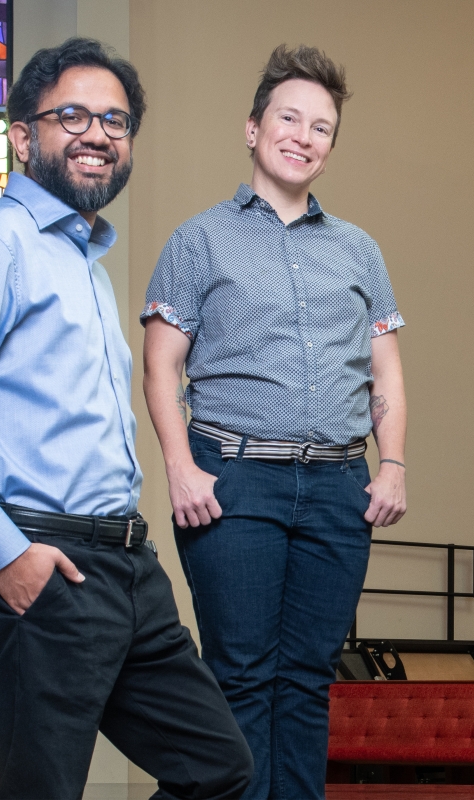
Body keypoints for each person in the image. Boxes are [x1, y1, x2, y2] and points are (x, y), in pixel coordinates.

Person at [0, 38, 252, 799]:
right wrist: (5, 550)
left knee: (220, 770)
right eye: (72, 115)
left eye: (116, 121)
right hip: (38, 560)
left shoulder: (81, 261)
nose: (99, 134)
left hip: (123, 567)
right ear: (23, 137)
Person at [141, 44, 407, 799]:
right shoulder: (200, 240)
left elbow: (385, 370)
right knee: (242, 674)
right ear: (253, 129)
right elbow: (160, 366)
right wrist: (180, 466)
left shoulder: (359, 250)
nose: (304, 135)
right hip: (232, 479)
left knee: (308, 677)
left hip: (336, 487)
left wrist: (393, 464)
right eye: (289, 117)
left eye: (322, 127)